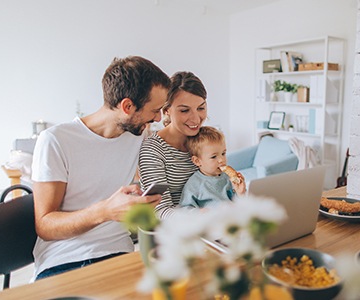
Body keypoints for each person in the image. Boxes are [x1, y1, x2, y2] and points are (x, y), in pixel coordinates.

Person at [31, 56, 171, 280]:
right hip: (65, 260)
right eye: (155, 110)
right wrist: (105, 211)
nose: (158, 118)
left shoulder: (138, 135)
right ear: (127, 106)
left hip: (119, 255)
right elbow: (45, 225)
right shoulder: (56, 140)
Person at [138, 71, 207, 219]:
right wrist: (201, 215)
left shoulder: (206, 140)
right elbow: (160, 210)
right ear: (166, 110)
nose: (196, 119)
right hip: (175, 231)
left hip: (211, 226)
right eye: (184, 110)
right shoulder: (153, 150)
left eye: (201, 108)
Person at [180, 126, 246, 210]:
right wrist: (199, 212)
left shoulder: (227, 177)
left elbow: (238, 203)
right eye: (214, 157)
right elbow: (184, 209)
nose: (221, 160)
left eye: (223, 153)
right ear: (197, 161)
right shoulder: (194, 184)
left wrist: (240, 193)